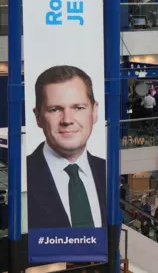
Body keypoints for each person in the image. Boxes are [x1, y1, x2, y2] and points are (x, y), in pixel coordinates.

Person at [27, 65, 107, 229]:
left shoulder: (106, 171)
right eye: (55, 109)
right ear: (38, 117)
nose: (67, 120)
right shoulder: (22, 173)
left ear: (94, 111)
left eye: (78, 108)